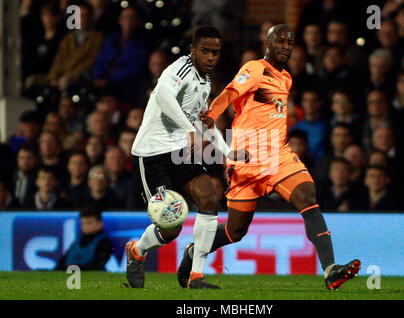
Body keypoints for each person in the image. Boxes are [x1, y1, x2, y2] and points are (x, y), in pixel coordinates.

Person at [196, 24, 360, 290]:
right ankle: (196, 251)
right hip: (246, 159)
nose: (286, 46)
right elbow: (230, 92)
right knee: (234, 231)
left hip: (278, 155)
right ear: (268, 44)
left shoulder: (286, 78)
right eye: (280, 41)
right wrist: (212, 115)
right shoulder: (254, 68)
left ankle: (330, 269)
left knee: (307, 196)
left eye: (290, 42)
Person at [126, 26, 246, 290]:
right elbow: (164, 96)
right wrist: (189, 130)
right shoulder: (179, 69)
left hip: (179, 152)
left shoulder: (205, 83)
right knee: (171, 228)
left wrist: (227, 153)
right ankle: (137, 250)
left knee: (209, 198)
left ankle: (196, 275)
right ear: (193, 50)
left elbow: (204, 122)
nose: (211, 57)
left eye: (215, 52)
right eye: (205, 51)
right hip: (151, 154)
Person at [55, 205, 113, 270]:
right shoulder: (77, 241)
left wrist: (75, 269)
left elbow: (96, 264)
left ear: (100, 224)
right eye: (83, 224)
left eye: (89, 223)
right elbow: (63, 261)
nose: (85, 227)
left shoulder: (104, 243)